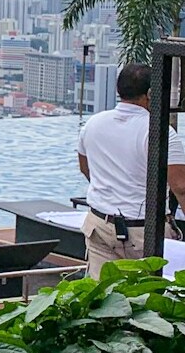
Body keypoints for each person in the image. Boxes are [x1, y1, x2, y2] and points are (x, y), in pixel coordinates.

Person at [76, 63, 185, 277]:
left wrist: (112, 189)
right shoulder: (159, 131)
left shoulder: (93, 123)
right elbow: (180, 186)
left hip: (100, 224)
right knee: (147, 300)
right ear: (151, 94)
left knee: (102, 298)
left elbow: (85, 167)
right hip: (144, 231)